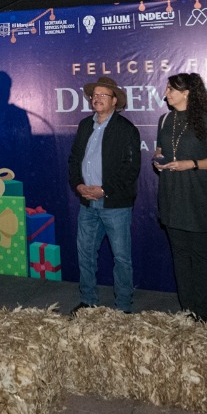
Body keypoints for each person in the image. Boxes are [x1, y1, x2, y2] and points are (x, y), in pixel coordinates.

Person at [153, 72, 207, 320]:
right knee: (180, 257)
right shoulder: (164, 120)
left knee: (198, 258)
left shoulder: (205, 121)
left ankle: (202, 316)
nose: (166, 94)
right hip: (170, 196)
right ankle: (187, 313)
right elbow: (160, 151)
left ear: (187, 93)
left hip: (195, 198)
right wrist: (158, 161)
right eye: (167, 89)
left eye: (171, 89)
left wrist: (190, 164)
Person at [67, 76, 141, 313]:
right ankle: (88, 301)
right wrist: (78, 185)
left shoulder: (126, 129)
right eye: (94, 95)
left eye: (102, 95)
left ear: (115, 100)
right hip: (87, 203)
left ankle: (123, 307)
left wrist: (104, 189)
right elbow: (74, 160)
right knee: (85, 254)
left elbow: (131, 169)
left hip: (115, 204)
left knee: (121, 258)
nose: (96, 99)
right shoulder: (84, 125)